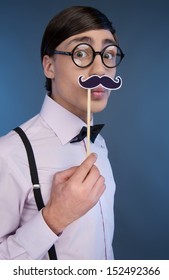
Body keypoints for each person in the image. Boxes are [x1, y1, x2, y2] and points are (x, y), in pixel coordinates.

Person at [0, 6, 124, 260]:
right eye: (81, 53)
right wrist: (55, 217)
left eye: (109, 54)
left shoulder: (98, 143)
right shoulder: (10, 154)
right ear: (49, 66)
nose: (100, 70)